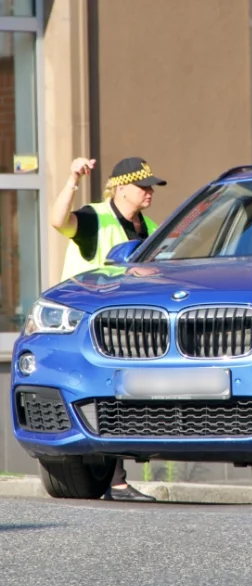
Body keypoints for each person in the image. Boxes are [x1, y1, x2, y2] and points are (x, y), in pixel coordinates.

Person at [50, 155, 168, 502]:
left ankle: (113, 477)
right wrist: (72, 179)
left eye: (151, 186)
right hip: (86, 327)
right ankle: (114, 481)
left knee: (121, 397)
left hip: (131, 329)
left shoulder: (151, 228)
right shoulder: (94, 218)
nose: (150, 192)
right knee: (103, 394)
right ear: (120, 189)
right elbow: (58, 221)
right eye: (143, 186)